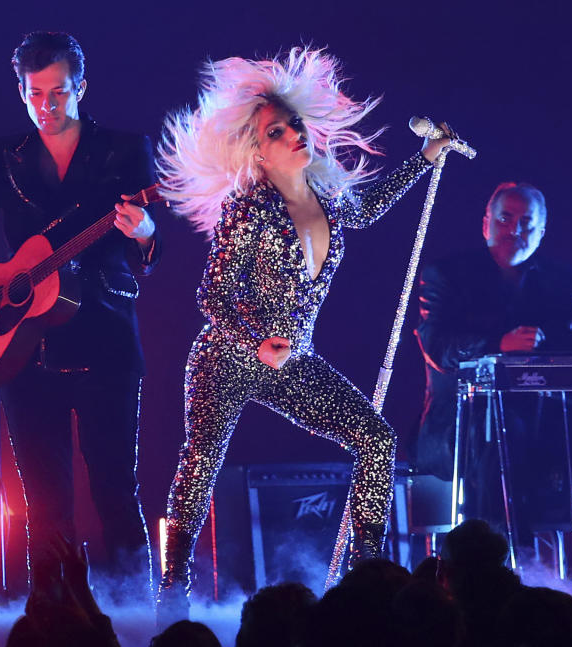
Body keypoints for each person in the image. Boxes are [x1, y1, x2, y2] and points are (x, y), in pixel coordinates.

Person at [155, 46, 453, 617]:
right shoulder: (247, 208)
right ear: (257, 153)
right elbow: (212, 298)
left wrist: (425, 158)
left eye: (294, 124)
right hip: (226, 356)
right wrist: (253, 340)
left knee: (376, 440)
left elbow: (370, 208)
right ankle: (172, 592)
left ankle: (367, 576)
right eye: (276, 131)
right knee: (200, 464)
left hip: (293, 359)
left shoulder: (329, 199)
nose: (294, 134)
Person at [0, 31, 160, 585]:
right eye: (34, 94)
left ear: (82, 86)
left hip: (106, 336)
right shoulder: (3, 155)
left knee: (114, 491)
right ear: (21, 91)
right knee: (45, 503)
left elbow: (149, 249)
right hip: (24, 346)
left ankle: (143, 618)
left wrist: (147, 232)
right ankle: (53, 620)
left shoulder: (124, 150)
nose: (46, 106)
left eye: (58, 92)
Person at [413, 182, 572, 564]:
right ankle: (503, 575)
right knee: (503, 434)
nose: (514, 230)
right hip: (464, 425)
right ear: (486, 223)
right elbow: (437, 347)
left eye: (526, 223)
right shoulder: (446, 275)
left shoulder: (565, 282)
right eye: (505, 219)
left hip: (550, 421)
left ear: (541, 231)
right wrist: (497, 344)